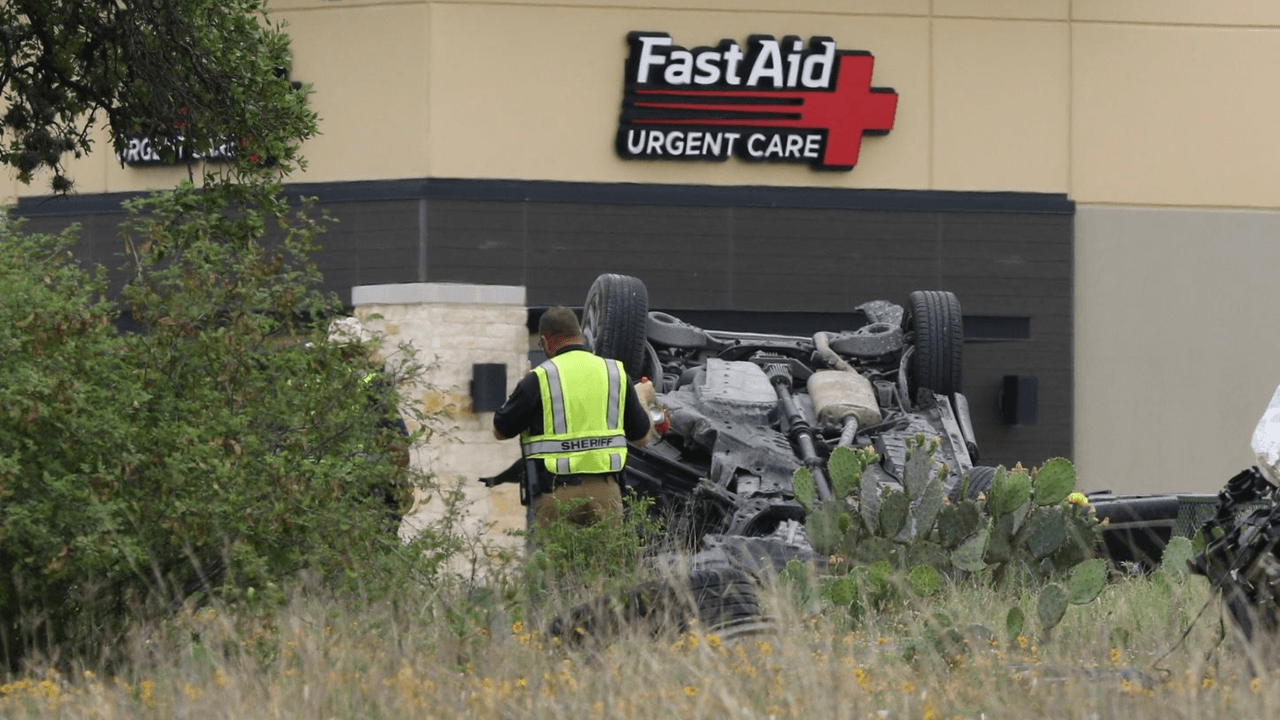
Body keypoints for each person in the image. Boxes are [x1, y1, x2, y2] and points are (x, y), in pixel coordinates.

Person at [492, 306, 662, 529]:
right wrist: (643, 397)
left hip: (555, 494)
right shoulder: (615, 374)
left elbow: (500, 431)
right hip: (606, 492)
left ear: (545, 341)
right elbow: (642, 437)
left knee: (556, 552)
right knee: (606, 552)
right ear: (580, 335)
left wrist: (521, 387)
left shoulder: (538, 379)